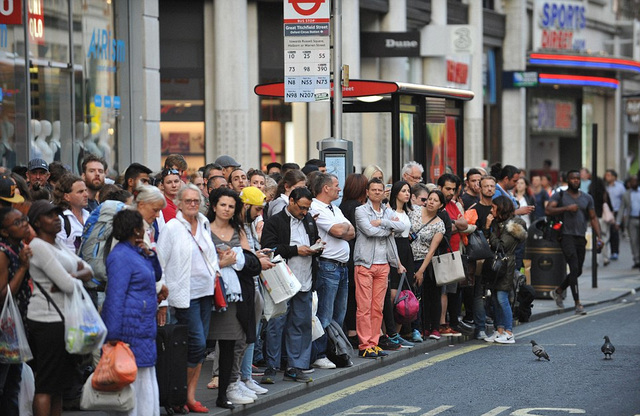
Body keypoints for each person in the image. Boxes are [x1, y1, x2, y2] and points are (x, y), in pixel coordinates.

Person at [157, 184, 228, 412]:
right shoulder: (171, 228)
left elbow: (208, 254)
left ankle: (188, 395)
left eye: (196, 201)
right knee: (196, 345)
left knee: (197, 346)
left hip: (206, 292)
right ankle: (181, 394)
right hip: (184, 295)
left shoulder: (204, 222)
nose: (193, 204)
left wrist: (215, 269)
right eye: (188, 201)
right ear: (178, 203)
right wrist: (164, 301)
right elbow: (160, 265)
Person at [27, 200, 94, 416]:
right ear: (37, 222)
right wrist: (75, 277)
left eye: (57, 214)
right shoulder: (38, 246)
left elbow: (89, 270)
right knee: (47, 383)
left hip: (63, 319)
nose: (57, 219)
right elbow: (66, 284)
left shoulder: (57, 244)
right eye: (50, 215)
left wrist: (74, 276)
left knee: (58, 385)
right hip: (47, 320)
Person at [101, 209, 163, 415]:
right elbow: (115, 297)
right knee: (133, 381)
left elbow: (155, 275)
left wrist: (150, 254)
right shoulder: (120, 256)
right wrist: (113, 335)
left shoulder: (136, 252)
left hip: (142, 325)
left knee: (144, 379)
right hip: (130, 329)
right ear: (136, 230)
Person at [261, 187, 321, 382]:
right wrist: (296, 250)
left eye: (307, 208)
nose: (304, 212)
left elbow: (313, 240)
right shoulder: (275, 222)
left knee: (301, 324)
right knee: (276, 323)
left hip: (304, 280)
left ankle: (296, 366)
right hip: (282, 281)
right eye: (302, 207)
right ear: (291, 202)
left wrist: (317, 247)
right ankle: (272, 366)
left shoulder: (309, 220)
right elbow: (269, 249)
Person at [206, 187, 259, 405]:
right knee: (200, 344)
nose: (227, 209)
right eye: (223, 205)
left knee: (232, 343)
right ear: (214, 206)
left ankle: (227, 391)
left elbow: (252, 261)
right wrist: (220, 263)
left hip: (237, 295)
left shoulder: (240, 230)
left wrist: (235, 259)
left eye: (231, 206)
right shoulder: (203, 229)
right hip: (209, 294)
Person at [354, 178, 405, 358]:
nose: (377, 192)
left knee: (377, 307)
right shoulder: (360, 210)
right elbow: (368, 231)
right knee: (364, 307)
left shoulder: (387, 211)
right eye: (373, 189)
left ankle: (374, 342)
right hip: (365, 262)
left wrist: (383, 223)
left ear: (384, 192)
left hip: (384, 263)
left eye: (380, 190)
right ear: (367, 192)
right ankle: (364, 344)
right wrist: (388, 229)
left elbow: (403, 226)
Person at [310, 173, 356, 368]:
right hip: (327, 266)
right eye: (336, 185)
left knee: (339, 314)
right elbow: (338, 232)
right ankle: (320, 354)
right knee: (325, 313)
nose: (339, 189)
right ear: (325, 188)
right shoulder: (315, 207)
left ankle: (334, 350)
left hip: (342, 267)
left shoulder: (334, 209)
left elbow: (352, 231)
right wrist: (343, 228)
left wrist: (343, 227)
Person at [546, 170, 602, 315]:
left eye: (578, 178)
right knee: (574, 267)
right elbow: (549, 210)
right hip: (565, 235)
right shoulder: (561, 195)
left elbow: (593, 218)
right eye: (573, 178)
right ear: (568, 180)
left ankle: (558, 291)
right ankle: (578, 304)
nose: (576, 181)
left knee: (578, 270)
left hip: (580, 237)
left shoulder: (587, 198)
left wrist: (599, 237)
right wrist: (566, 208)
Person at [0, 207, 32, 416]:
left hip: (18, 322)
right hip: (5, 326)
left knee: (14, 382)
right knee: (6, 385)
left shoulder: (19, 246)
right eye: (17, 223)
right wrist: (22, 267)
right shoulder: (3, 253)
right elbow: (3, 294)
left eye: (24, 220)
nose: (24, 225)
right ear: (4, 232)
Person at [482, 196, 527, 344]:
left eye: (494, 207)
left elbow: (501, 246)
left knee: (502, 298)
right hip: (496, 265)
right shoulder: (499, 223)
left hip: (505, 266)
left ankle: (509, 332)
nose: (491, 210)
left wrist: (489, 229)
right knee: (495, 298)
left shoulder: (513, 226)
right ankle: (499, 330)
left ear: (501, 208)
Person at [409, 189, 446, 340]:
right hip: (408, 259)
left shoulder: (439, 224)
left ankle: (434, 328)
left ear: (441, 205)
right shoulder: (414, 211)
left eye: (435, 200)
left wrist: (421, 271)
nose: (431, 202)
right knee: (414, 295)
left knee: (431, 295)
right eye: (429, 199)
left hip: (426, 262)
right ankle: (418, 328)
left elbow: (432, 250)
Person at [383, 180, 416, 348]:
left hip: (406, 249)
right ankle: (388, 332)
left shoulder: (408, 211)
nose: (407, 193)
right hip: (394, 249)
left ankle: (398, 331)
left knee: (405, 294)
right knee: (391, 295)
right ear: (396, 192)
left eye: (408, 191)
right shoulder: (388, 211)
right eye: (403, 190)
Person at [339, 173, 368, 347]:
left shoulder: (342, 206)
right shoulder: (358, 208)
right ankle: (353, 331)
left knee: (348, 294)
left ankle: (349, 329)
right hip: (357, 254)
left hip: (345, 254)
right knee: (356, 295)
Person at [132, 184, 169, 325]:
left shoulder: (148, 228)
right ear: (141, 205)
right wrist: (160, 288)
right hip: (137, 302)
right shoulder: (130, 230)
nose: (158, 215)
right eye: (155, 210)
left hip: (149, 299)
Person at [52, 174, 89, 253]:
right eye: (80, 192)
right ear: (67, 196)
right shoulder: (60, 219)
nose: (86, 195)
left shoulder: (88, 215)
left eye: (86, 190)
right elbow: (58, 251)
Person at [616, 175, 640, 268]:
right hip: (632, 220)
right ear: (629, 183)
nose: (634, 183)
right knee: (634, 241)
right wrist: (618, 222)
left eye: (636, 181)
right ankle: (637, 260)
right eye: (632, 181)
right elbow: (622, 208)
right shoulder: (626, 194)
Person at [604, 169, 625, 261]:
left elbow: (624, 201)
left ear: (614, 177)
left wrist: (623, 214)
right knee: (605, 232)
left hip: (616, 212)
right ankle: (606, 252)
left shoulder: (620, 187)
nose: (607, 177)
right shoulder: (605, 186)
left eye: (609, 175)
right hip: (606, 212)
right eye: (606, 175)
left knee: (614, 232)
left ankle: (615, 252)